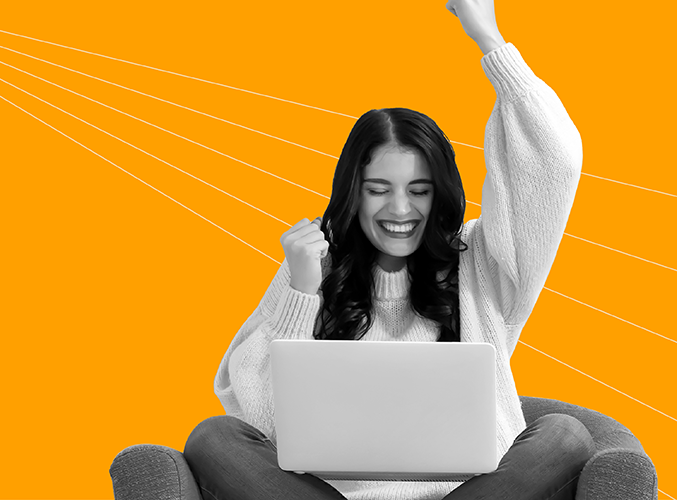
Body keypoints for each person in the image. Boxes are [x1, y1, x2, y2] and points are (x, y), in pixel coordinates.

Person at [183, 1, 593, 498]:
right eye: (379, 188)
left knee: (565, 435)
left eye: (418, 190)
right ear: (352, 191)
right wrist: (301, 293)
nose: (400, 209)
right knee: (213, 436)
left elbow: (554, 164)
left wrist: (489, 39)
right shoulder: (314, 267)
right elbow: (262, 423)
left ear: (439, 193)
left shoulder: (484, 263)